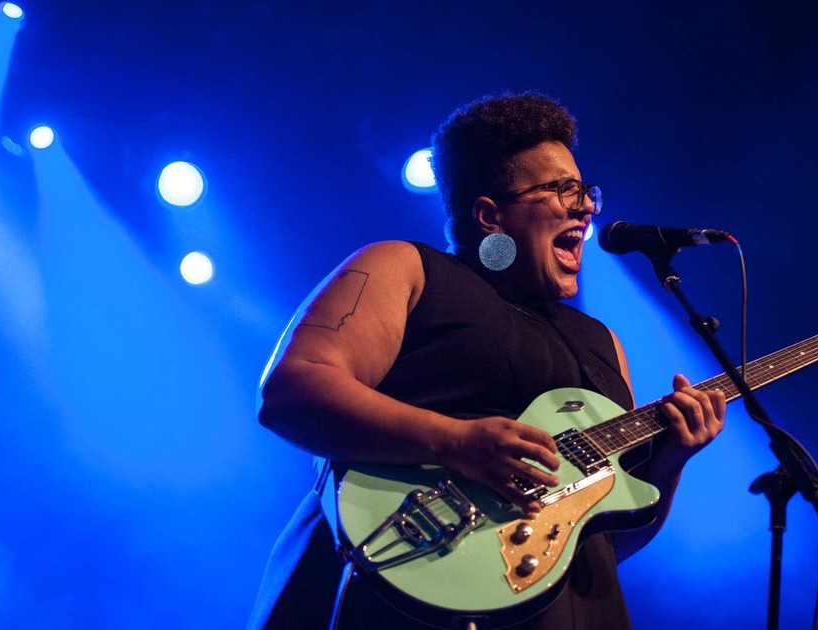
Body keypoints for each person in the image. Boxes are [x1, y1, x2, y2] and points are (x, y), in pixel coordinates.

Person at [248, 92, 726, 629]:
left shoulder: (603, 342)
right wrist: (455, 442)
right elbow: (292, 390)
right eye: (560, 189)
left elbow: (598, 546)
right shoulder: (407, 268)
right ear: (489, 215)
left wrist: (669, 463)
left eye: (585, 190)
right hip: (396, 580)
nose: (586, 206)